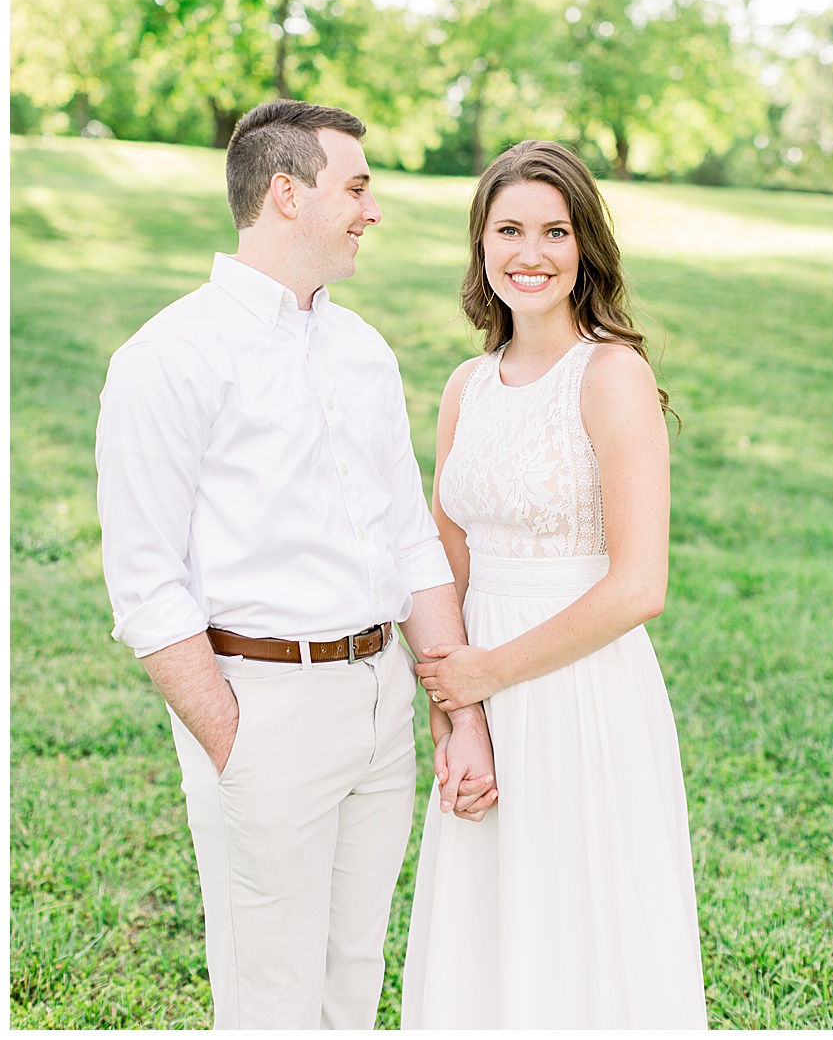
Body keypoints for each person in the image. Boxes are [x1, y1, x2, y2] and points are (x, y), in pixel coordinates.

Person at [95, 99, 498, 1030]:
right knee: (269, 994)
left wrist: (454, 708)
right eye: (355, 186)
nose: (373, 210)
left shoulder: (361, 350)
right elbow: (146, 586)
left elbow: (411, 543)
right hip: (260, 705)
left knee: (353, 976)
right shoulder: (169, 357)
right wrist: (232, 738)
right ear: (286, 192)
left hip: (378, 702)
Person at [401, 140, 707, 1029]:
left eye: (554, 231)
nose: (529, 254)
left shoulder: (613, 375)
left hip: (580, 692)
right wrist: (458, 720)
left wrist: (491, 674)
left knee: (581, 935)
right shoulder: (466, 387)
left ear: (585, 250)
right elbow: (442, 567)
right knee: (487, 936)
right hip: (476, 693)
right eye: (509, 230)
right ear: (481, 244)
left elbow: (639, 586)